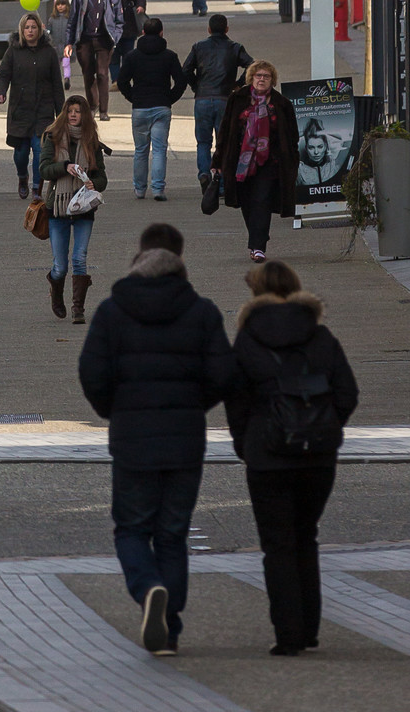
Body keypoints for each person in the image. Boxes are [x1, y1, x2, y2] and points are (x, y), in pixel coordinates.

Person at [78, 220, 233, 657]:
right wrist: (193, 406)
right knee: (172, 533)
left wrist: (114, 410)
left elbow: (92, 372)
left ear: (140, 256)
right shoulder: (202, 311)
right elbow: (223, 373)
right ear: (179, 260)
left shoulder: (112, 310)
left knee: (131, 528)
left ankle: (148, 588)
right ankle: (170, 630)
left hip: (132, 439)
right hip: (184, 440)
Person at [226, 259, 360, 655]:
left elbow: (237, 401)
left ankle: (289, 634)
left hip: (267, 455)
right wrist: (326, 426)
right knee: (306, 537)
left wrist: (246, 443)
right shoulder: (321, 337)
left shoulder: (248, 340)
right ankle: (310, 627)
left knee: (278, 544)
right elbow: (347, 394)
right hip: (317, 455)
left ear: (256, 293)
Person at [216, 59, 300, 261]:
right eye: (258, 76)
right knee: (246, 202)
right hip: (241, 163)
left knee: (262, 201)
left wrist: (291, 160)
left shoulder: (281, 104)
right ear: (251, 78)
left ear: (273, 80)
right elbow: (225, 131)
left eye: (266, 76)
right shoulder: (237, 99)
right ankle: (258, 235)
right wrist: (217, 161)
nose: (262, 79)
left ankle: (258, 246)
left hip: (269, 162)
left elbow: (292, 135)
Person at [41, 94, 107, 322]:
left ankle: (78, 308)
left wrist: (94, 183)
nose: (73, 116)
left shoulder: (91, 141)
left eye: (78, 112)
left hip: (83, 208)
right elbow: (43, 170)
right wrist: (64, 167)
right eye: (70, 111)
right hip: (58, 209)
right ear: (64, 113)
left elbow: (102, 178)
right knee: (60, 266)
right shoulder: (52, 137)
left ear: (85, 115)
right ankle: (56, 288)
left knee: (79, 257)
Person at [0, 8, 63, 198]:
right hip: (20, 111)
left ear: (39, 30)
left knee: (41, 152)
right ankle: (22, 176)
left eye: (33, 27)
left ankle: (36, 188)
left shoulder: (48, 52)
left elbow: (57, 84)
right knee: (21, 153)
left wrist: (62, 114)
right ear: (22, 31)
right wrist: (1, 93)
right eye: (27, 28)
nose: (30, 31)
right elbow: (3, 75)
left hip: (43, 111)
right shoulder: (13, 51)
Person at [117, 16, 187, 201]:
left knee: (140, 150)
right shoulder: (169, 56)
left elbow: (122, 81)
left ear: (143, 33)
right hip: (161, 106)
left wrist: (133, 97)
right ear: (162, 33)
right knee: (159, 150)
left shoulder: (132, 56)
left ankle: (139, 190)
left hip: (140, 107)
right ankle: (158, 189)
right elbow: (180, 81)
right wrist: (169, 98)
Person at [179, 14, 249, 182]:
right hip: (224, 98)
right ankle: (223, 180)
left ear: (209, 29)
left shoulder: (199, 47)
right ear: (227, 29)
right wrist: (238, 84)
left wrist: (196, 86)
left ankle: (204, 173)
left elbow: (185, 70)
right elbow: (252, 65)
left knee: (203, 141)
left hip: (202, 98)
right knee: (224, 142)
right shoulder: (235, 47)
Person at [65, 0, 123, 116]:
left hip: (104, 40)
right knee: (88, 73)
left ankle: (104, 110)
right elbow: (73, 19)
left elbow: (119, 21)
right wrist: (69, 42)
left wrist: (115, 38)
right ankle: (93, 105)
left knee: (103, 74)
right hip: (85, 40)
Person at [101, 0, 147, 89]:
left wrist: (141, 6)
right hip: (110, 22)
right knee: (113, 53)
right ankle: (116, 80)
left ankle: (125, 79)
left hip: (128, 20)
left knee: (128, 53)